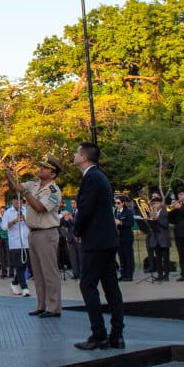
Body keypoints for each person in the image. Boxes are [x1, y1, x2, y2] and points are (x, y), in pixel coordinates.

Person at [71, 144, 125, 351]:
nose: (74, 155)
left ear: (84, 157)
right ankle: (117, 335)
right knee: (111, 287)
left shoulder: (91, 178)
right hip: (107, 240)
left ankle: (99, 334)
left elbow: (85, 208)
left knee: (88, 285)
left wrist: (77, 230)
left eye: (77, 153)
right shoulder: (100, 176)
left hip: (96, 240)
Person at [14, 156, 63, 316]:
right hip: (33, 233)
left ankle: (54, 307)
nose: (40, 169)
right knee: (38, 272)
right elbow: (17, 187)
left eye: (45, 168)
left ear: (52, 174)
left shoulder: (54, 191)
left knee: (49, 272)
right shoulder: (33, 185)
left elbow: (39, 207)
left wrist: (25, 192)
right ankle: (42, 305)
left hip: (47, 233)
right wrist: (9, 175)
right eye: (41, 166)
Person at [1, 196, 29, 296]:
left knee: (25, 265)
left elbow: (32, 224)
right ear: (13, 202)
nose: (19, 205)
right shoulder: (8, 212)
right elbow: (4, 227)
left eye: (21, 203)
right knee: (19, 266)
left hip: (26, 242)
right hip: (15, 244)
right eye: (17, 203)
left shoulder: (26, 210)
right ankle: (25, 288)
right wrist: (14, 221)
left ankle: (14, 283)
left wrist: (25, 219)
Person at [145, 194, 170, 281]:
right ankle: (160, 274)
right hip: (155, 238)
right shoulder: (152, 212)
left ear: (160, 203)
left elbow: (166, 224)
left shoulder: (164, 212)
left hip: (163, 238)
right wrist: (149, 220)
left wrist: (157, 218)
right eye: (153, 204)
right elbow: (150, 225)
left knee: (165, 258)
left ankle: (166, 275)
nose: (154, 205)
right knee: (158, 258)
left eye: (156, 203)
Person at [114, 194, 136, 282]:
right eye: (115, 203)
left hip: (126, 237)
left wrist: (120, 222)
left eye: (118, 203)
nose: (116, 205)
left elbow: (131, 223)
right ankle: (123, 274)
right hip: (118, 237)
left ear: (123, 203)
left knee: (128, 256)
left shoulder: (128, 212)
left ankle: (129, 275)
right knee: (121, 256)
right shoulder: (115, 211)